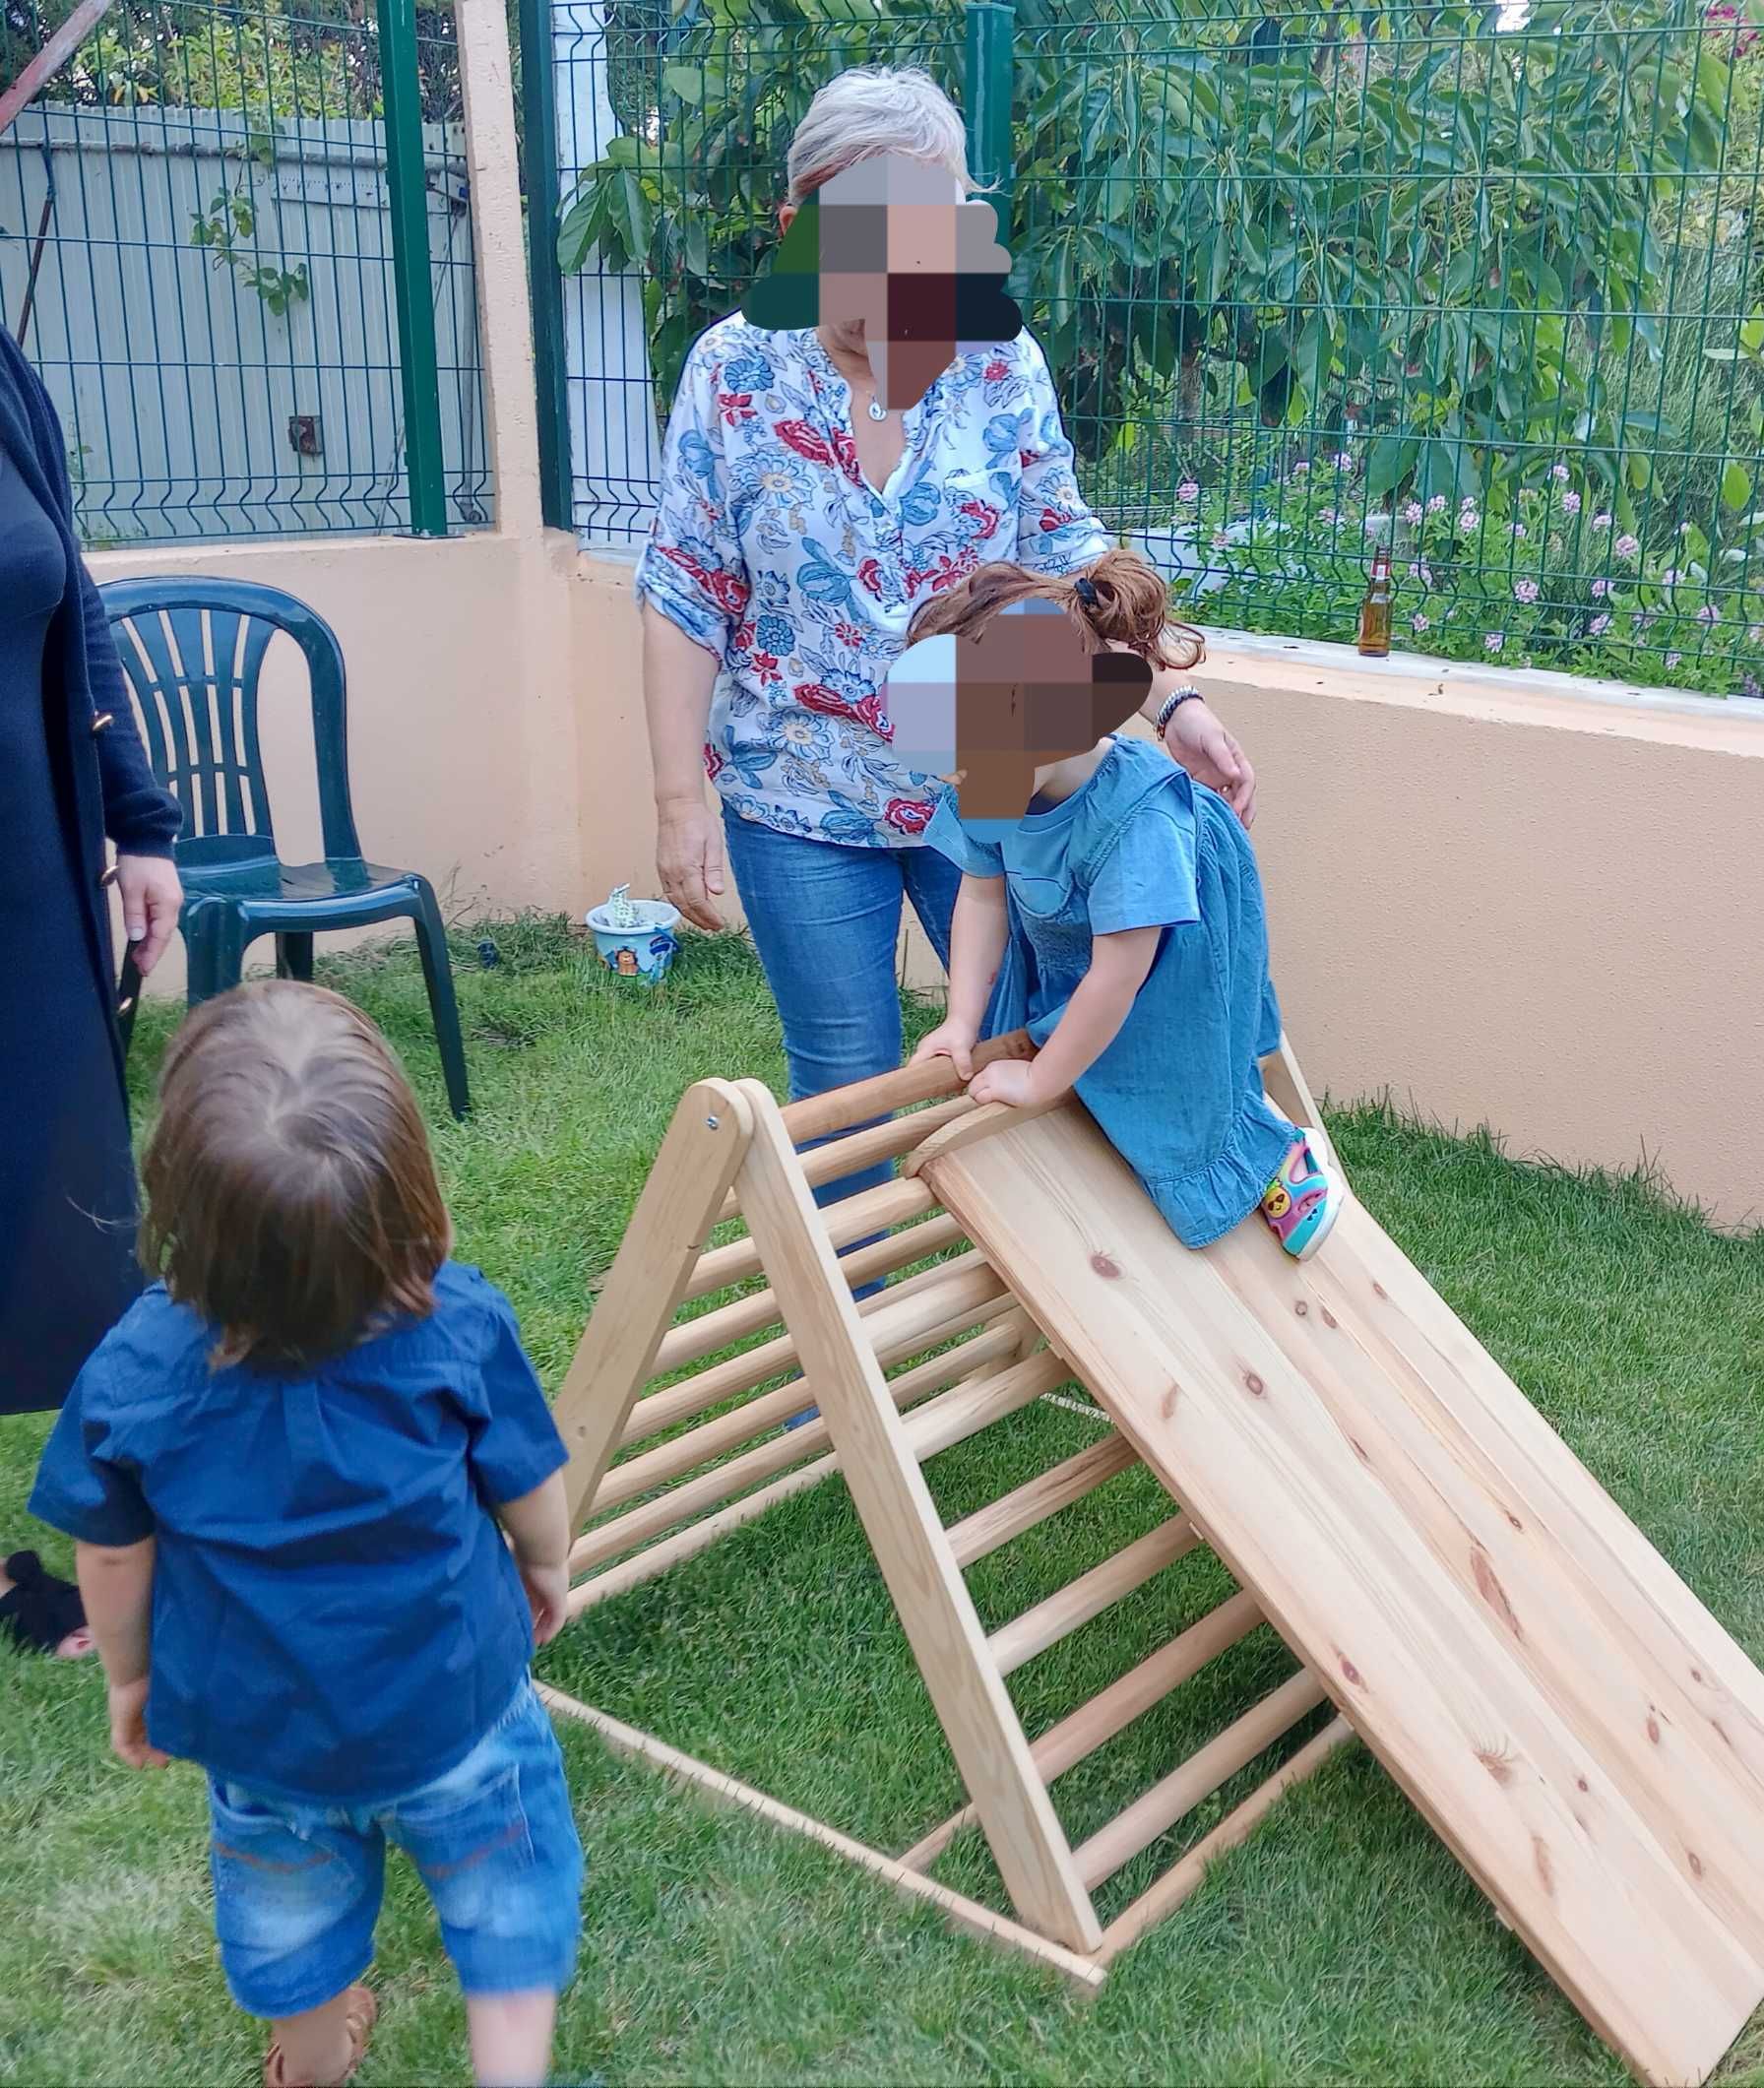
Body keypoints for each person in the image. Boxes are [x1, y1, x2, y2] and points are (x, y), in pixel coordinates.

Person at [640, 65, 1256, 1198]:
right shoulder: (731, 373)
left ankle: (1027, 1298)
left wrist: (1170, 702)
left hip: (996, 771)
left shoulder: (994, 360)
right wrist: (682, 804)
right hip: (797, 793)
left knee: (1023, 1038)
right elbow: (686, 589)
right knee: (843, 1082)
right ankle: (857, 1340)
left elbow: (1065, 545)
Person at [29, 981, 583, 2088]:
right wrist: (547, 1564)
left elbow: (109, 1552)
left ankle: (313, 2064)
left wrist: (130, 1682)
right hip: (455, 1705)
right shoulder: (452, 1320)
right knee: (504, 1902)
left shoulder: (137, 1364)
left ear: (175, 1197)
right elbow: (530, 1484)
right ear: (406, 1185)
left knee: (288, 1924)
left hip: (256, 1732)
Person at [907, 551, 1342, 1258]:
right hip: (1074, 933)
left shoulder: (1137, 821)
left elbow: (1120, 974)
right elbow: (982, 896)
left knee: (1177, 1072)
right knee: (1091, 1068)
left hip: (1167, 956)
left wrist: (1043, 1079)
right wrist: (961, 1021)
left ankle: (1267, 1154)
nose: (959, 774)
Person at [1, 323, 182, 1651]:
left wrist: (141, 820)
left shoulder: (2, 370)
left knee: (65, 1211)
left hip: (28, 875)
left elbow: (73, 595)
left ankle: (110, 1542)